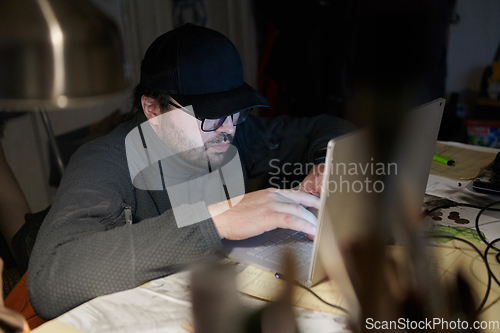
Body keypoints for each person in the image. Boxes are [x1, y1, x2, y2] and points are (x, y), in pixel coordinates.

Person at [27, 23, 355, 319]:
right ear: (153, 109)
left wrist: (326, 162)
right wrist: (217, 221)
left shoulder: (231, 131)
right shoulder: (103, 162)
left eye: (236, 112)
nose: (228, 129)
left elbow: (326, 127)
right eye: (210, 116)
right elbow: (48, 282)